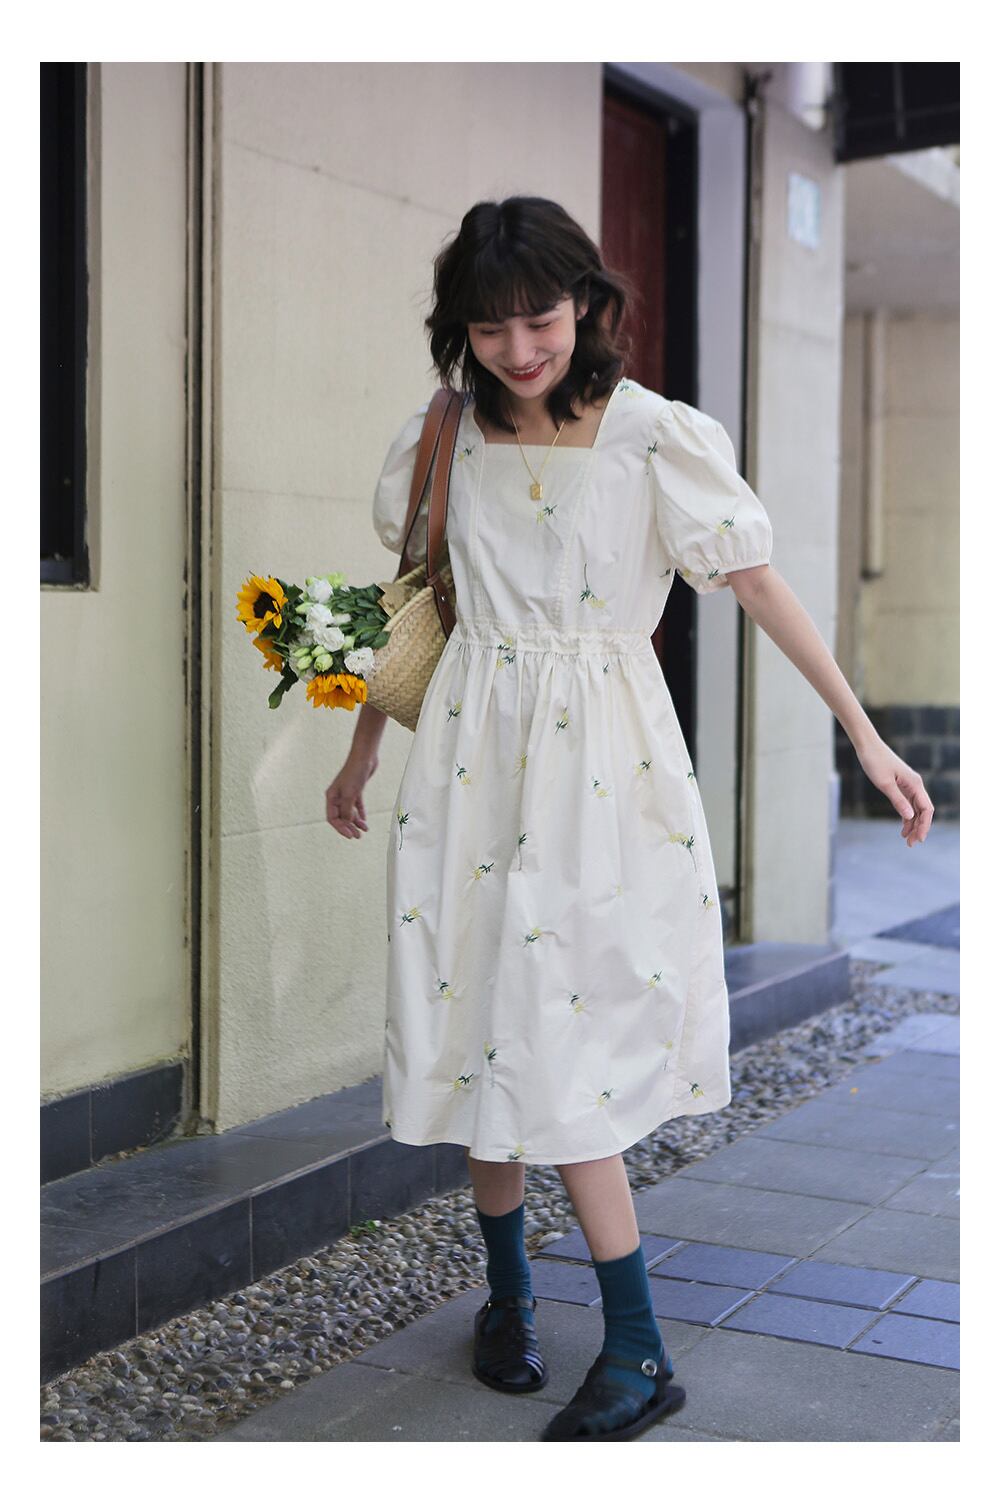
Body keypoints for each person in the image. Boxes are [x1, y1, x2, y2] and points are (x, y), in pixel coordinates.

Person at [325, 196, 934, 1442]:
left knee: (564, 1043)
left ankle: (640, 1345)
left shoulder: (655, 434)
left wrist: (863, 733)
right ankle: (508, 1300)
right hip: (467, 768)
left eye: (539, 319)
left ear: (586, 304)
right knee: (474, 1026)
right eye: (489, 327)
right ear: (459, 329)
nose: (518, 349)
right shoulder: (443, 434)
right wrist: (361, 750)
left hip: (601, 772)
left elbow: (756, 583)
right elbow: (419, 601)